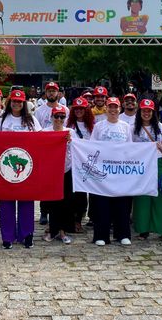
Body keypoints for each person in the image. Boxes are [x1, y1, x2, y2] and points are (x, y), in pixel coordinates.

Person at [0, 89, 42, 249]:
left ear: (24, 103)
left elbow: (42, 139)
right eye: (14, 101)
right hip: (6, 167)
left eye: (20, 101)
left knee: (26, 199)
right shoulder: (2, 120)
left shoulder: (31, 120)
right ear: (9, 102)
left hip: (26, 167)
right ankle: (7, 237)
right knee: (6, 201)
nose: (17, 104)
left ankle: (26, 235)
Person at [90, 97, 133, 247]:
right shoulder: (99, 126)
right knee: (102, 203)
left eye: (116, 107)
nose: (113, 110)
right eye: (110, 107)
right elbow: (92, 146)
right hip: (103, 170)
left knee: (122, 203)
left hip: (120, 171)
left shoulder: (125, 126)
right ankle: (101, 235)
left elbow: (130, 148)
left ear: (119, 109)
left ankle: (123, 234)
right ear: (106, 109)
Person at [131, 99, 162, 240]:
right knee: (142, 197)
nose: (146, 113)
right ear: (139, 112)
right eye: (144, 110)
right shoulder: (133, 128)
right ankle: (143, 230)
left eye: (149, 111)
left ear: (153, 112)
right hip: (141, 165)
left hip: (158, 163)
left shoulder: (159, 126)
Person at [42, 105, 74, 245]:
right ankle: (52, 229)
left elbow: (78, 149)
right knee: (52, 202)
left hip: (66, 170)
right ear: (52, 117)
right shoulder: (45, 132)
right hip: (51, 172)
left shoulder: (70, 132)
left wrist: (71, 141)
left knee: (66, 202)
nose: (59, 119)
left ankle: (63, 231)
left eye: (62, 117)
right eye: (56, 116)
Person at [66, 96, 95, 232]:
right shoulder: (69, 125)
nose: (78, 111)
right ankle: (71, 220)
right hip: (72, 164)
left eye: (81, 109)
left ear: (86, 110)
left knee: (83, 194)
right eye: (76, 109)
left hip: (88, 164)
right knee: (73, 194)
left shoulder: (92, 126)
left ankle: (79, 219)